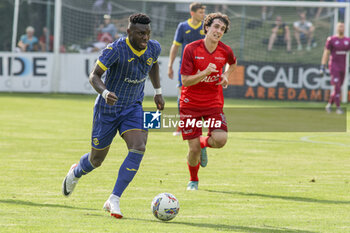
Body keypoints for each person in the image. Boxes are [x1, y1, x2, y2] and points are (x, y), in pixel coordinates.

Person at [62, 13, 164, 219]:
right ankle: (76, 172)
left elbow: (153, 64)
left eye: (148, 33)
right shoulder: (116, 49)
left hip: (133, 106)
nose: (145, 38)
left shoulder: (154, 47)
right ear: (129, 32)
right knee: (96, 160)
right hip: (107, 109)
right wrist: (106, 93)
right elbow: (94, 75)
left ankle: (114, 198)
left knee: (139, 146)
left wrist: (158, 91)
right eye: (140, 33)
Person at [179, 12, 237, 190]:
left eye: (222, 29)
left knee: (220, 139)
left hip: (213, 103)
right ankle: (193, 180)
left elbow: (233, 63)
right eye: (216, 26)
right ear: (206, 27)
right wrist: (205, 72)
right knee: (193, 149)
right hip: (190, 104)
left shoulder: (225, 51)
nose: (218, 31)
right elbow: (185, 80)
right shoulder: (191, 48)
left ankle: (204, 143)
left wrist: (226, 75)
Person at [168, 2, 206, 136]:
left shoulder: (205, 27)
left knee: (201, 95)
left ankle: (198, 124)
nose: (203, 15)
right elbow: (175, 46)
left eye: (203, 12)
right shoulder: (183, 26)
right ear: (193, 13)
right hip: (186, 66)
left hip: (202, 66)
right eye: (201, 12)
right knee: (182, 94)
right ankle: (182, 123)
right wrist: (170, 65)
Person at [320, 22, 350, 114]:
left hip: (343, 66)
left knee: (338, 87)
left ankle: (329, 105)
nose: (341, 28)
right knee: (336, 86)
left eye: (342, 27)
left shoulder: (347, 40)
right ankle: (338, 107)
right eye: (340, 27)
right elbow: (326, 53)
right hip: (334, 65)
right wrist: (323, 66)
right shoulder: (331, 39)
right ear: (337, 28)